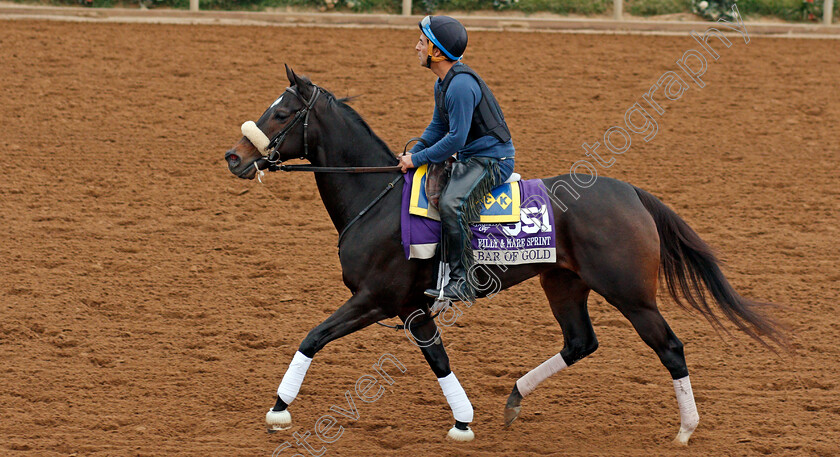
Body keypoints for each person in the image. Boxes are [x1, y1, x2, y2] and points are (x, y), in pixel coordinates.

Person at [398, 15, 515, 302]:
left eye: (422, 42)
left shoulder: (461, 86)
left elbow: (455, 139)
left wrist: (418, 159)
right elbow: (438, 127)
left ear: (436, 52)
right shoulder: (443, 83)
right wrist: (415, 151)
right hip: (473, 158)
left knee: (452, 203)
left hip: (492, 161)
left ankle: (463, 281)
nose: (416, 47)